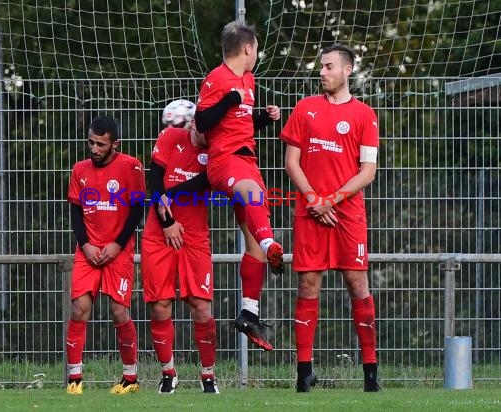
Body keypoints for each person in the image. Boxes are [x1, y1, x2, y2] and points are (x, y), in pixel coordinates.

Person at [280, 44, 381, 392]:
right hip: (310, 213)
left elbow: (368, 171)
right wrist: (313, 201)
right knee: (308, 285)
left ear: (347, 70)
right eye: (321, 67)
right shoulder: (304, 109)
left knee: (358, 285)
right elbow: (291, 162)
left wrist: (331, 201)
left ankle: (370, 372)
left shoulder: (365, 114)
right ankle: (304, 372)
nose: (322, 72)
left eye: (329, 67)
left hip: (347, 215)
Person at [194, 20, 282, 351]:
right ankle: (273, 242)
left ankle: (249, 313)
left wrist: (263, 117)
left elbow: (238, 123)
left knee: (253, 244)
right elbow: (203, 122)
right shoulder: (217, 79)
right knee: (254, 197)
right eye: (256, 49)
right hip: (225, 161)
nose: (256, 55)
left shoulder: (249, 80)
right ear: (247, 48)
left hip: (247, 159)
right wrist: (227, 100)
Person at [141, 100, 219, 394]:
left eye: (182, 123)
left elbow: (203, 182)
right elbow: (155, 183)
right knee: (160, 306)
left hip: (194, 236)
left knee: (201, 307)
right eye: (172, 124)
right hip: (159, 233)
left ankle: (208, 376)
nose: (181, 129)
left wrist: (265, 116)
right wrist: (168, 222)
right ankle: (168, 374)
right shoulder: (169, 139)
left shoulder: (214, 147)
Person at [65, 115, 145, 395]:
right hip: (88, 251)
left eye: (100, 144)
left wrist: (117, 245)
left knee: (119, 311)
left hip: (118, 251)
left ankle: (130, 379)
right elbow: (75, 210)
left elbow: (136, 210)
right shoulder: (79, 170)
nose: (94, 149)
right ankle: (74, 381)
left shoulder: (132, 166)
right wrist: (85, 244)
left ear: (115, 144)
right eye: (91, 143)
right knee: (79, 309)